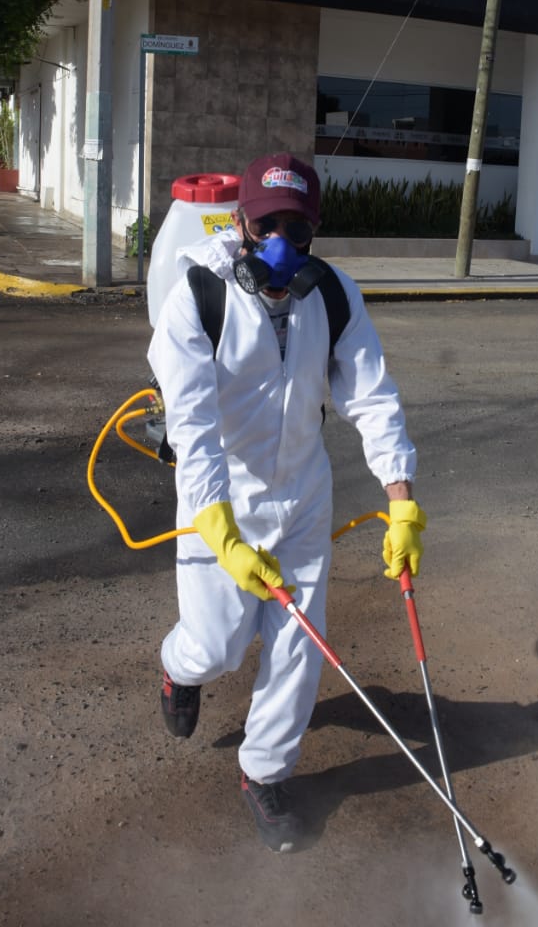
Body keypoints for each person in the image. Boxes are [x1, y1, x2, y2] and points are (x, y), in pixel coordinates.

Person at [147, 151, 424, 853]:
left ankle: (264, 773)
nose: (279, 243)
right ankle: (180, 669)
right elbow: (192, 430)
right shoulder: (197, 296)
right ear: (239, 222)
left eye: (295, 230)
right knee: (218, 644)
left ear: (313, 233)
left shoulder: (331, 295)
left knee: (301, 645)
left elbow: (372, 397)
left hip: (302, 494)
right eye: (265, 225)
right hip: (220, 498)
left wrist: (401, 502)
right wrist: (221, 532)